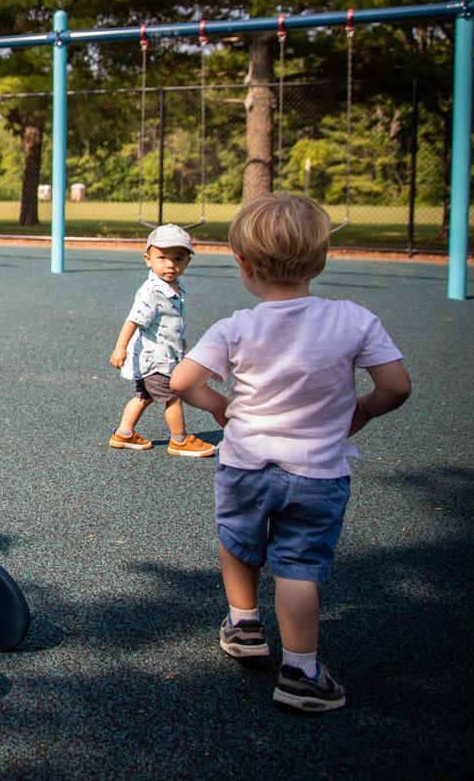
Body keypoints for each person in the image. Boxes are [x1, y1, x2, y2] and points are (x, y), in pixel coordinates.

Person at [170, 193, 412, 713]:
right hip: (318, 472)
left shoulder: (238, 325)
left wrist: (220, 407)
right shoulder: (353, 320)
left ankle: (244, 623)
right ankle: (300, 671)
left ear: (244, 267)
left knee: (238, 541)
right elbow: (396, 386)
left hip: (244, 465)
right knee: (298, 567)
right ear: (321, 260)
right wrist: (363, 410)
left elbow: (182, 381)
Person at [108, 224, 216, 457]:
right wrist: (120, 348)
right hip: (155, 359)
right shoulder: (152, 291)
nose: (170, 264)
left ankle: (123, 434)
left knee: (143, 397)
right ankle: (179, 439)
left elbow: (169, 322)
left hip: (161, 355)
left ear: (188, 261)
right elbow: (133, 320)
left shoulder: (173, 287)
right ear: (148, 259)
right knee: (173, 398)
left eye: (178, 258)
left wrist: (179, 341)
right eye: (162, 257)